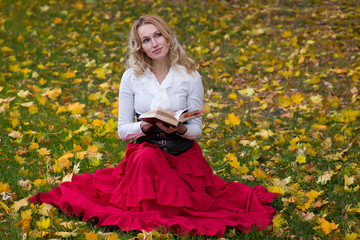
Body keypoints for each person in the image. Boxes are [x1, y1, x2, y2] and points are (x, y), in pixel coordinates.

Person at [30, 15, 279, 237]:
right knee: (146, 156)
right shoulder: (131, 77)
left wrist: (179, 128)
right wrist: (144, 126)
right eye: (146, 40)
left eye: (158, 35)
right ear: (140, 47)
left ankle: (168, 205)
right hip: (145, 155)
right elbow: (122, 131)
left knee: (206, 195)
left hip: (183, 158)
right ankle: (153, 211)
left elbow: (196, 130)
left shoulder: (190, 75)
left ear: (168, 37)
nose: (154, 43)